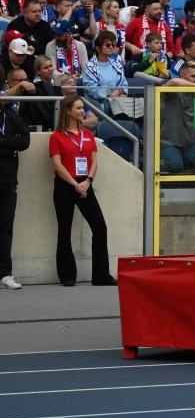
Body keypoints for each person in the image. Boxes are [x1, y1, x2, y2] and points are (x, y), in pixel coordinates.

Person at [48, 94, 115, 287]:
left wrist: (88, 181)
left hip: (85, 182)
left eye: (82, 107)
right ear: (68, 111)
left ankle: (101, 275)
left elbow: (94, 162)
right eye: (78, 108)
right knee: (64, 229)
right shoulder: (56, 136)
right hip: (65, 184)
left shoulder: (88, 135)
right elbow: (57, 165)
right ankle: (67, 275)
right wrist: (75, 184)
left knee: (100, 228)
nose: (82, 111)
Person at [0, 98, 29, 289]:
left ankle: (5, 273)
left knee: (5, 228)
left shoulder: (11, 117)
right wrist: (9, 146)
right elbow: (16, 143)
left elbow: (25, 141)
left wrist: (3, 142)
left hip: (8, 181)